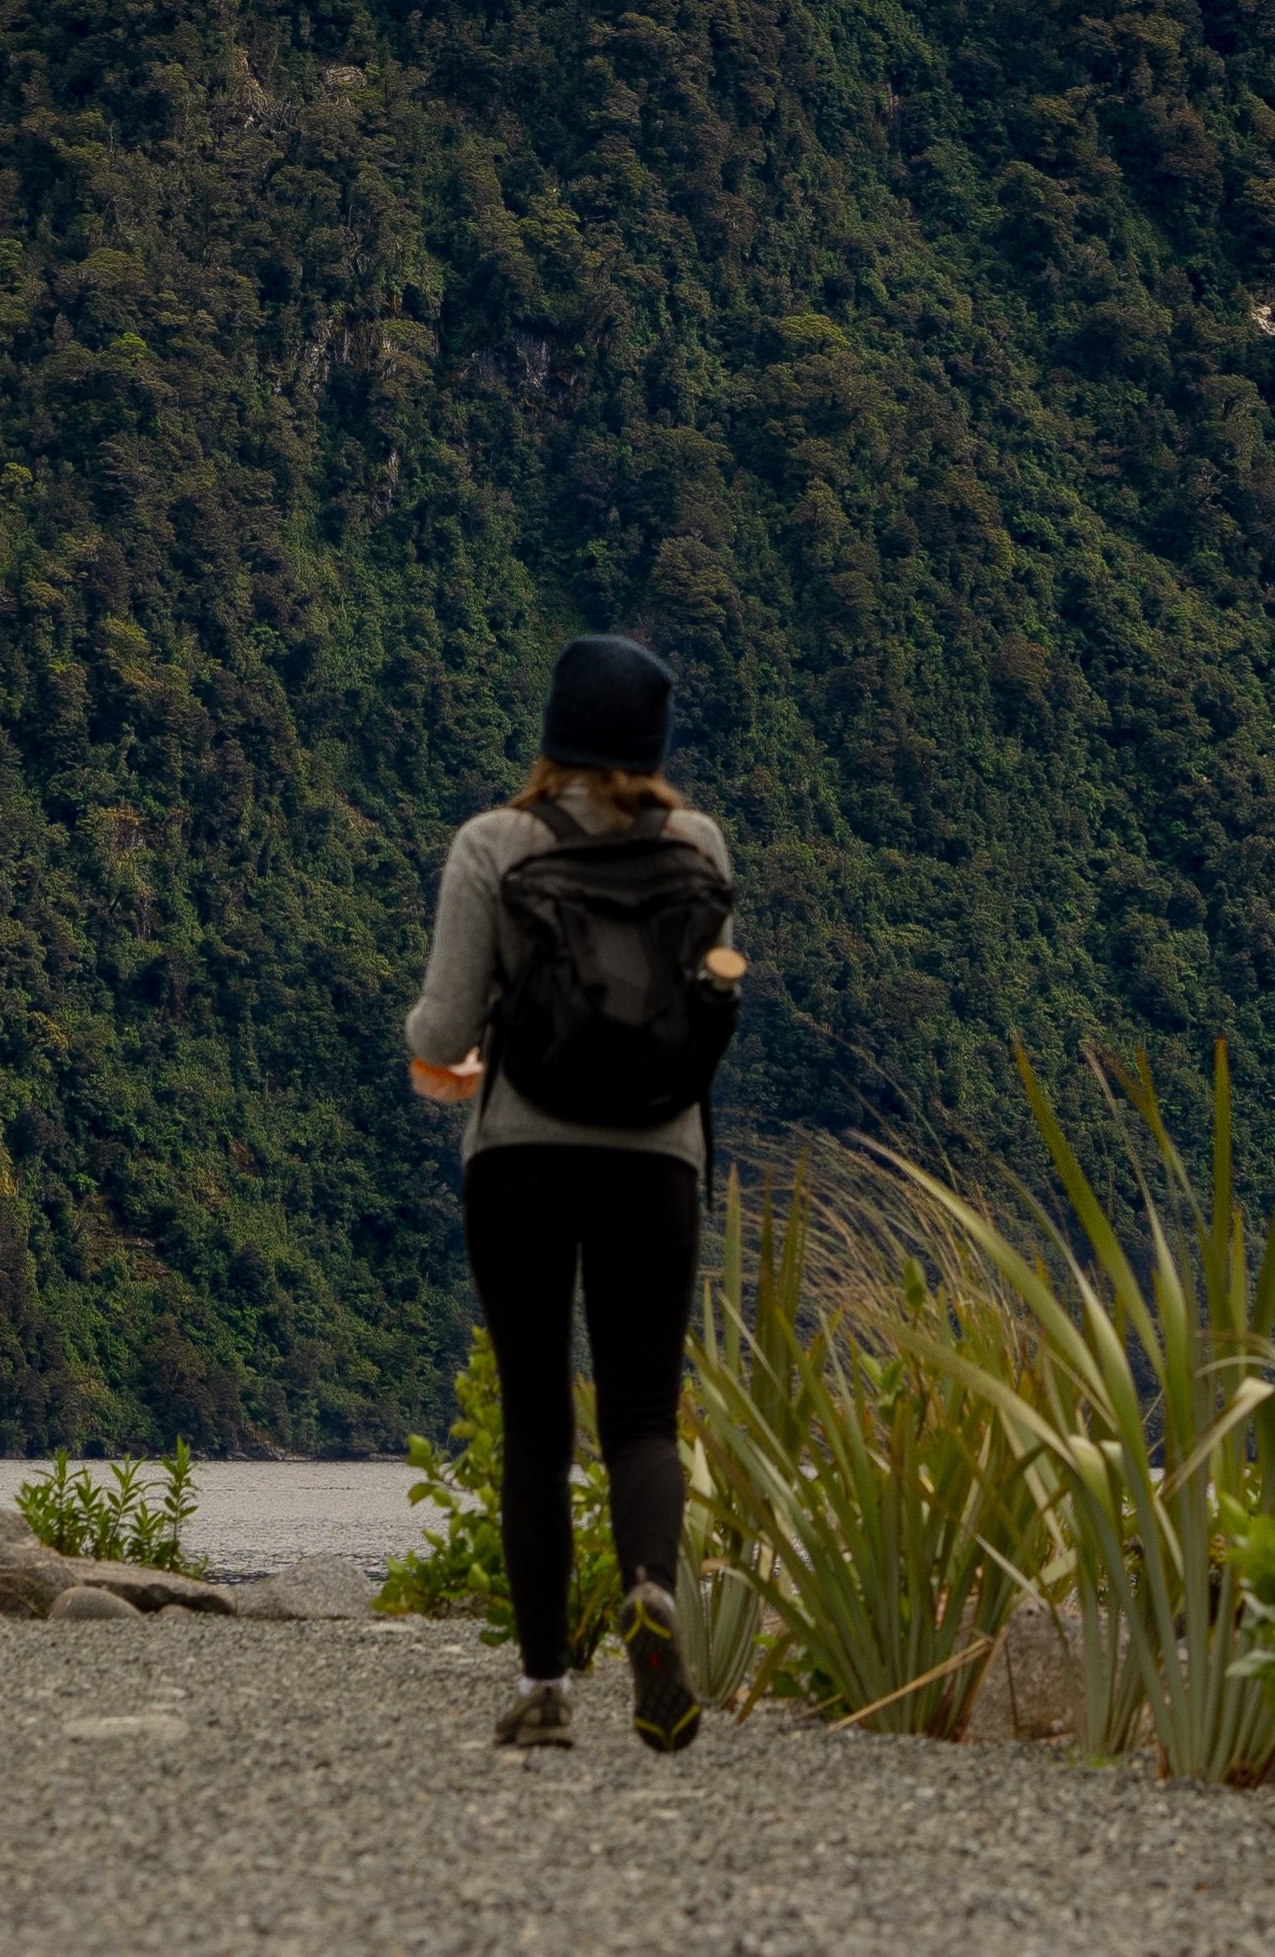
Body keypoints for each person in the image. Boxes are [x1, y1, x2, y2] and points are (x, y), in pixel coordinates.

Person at [404, 631, 748, 1752]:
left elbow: (443, 1029)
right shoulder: (698, 844)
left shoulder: (492, 844)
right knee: (643, 1417)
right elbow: (704, 1008)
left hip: (523, 1159)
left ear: (552, 730)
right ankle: (653, 1587)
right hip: (658, 1158)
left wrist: (450, 1062)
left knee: (539, 1419)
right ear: (652, 738)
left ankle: (548, 1689)